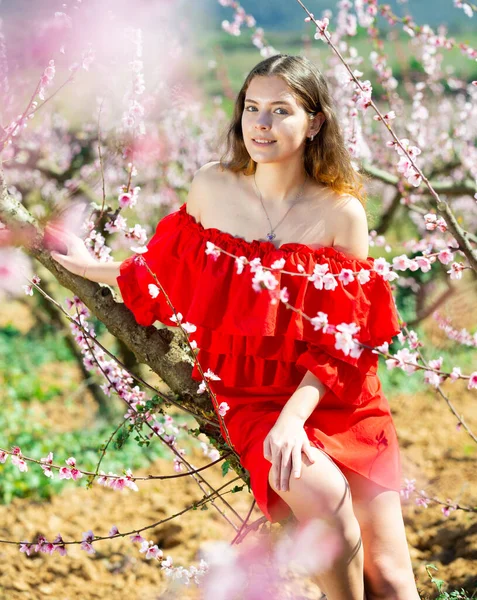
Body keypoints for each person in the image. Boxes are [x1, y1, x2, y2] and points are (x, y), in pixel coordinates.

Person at [47, 55, 421, 600]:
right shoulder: (212, 189)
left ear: (315, 121)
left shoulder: (342, 214)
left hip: (334, 399)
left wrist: (296, 419)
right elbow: (163, 272)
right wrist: (82, 265)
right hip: (253, 398)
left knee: (390, 580)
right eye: (251, 108)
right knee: (321, 496)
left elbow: (347, 344)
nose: (261, 124)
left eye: (279, 110)